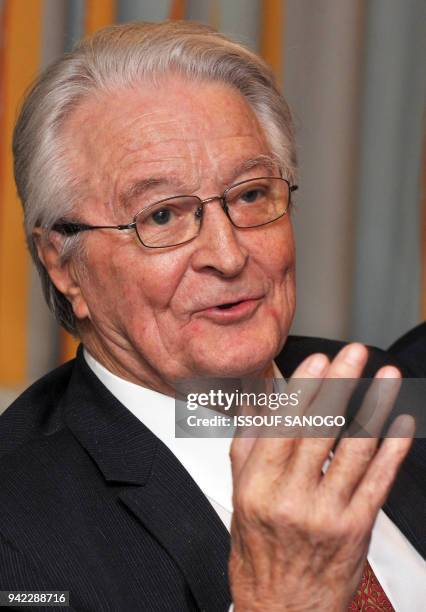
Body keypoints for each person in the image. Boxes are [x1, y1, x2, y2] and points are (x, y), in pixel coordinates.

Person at [0, 21, 424, 611]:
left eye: (251, 195)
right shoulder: (18, 534)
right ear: (64, 266)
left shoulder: (382, 390)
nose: (227, 256)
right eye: (162, 217)